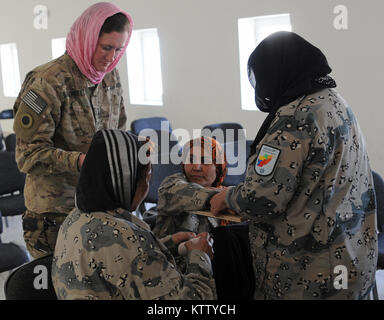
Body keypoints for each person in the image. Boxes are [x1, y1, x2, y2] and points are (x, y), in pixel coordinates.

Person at [210, 31, 378, 300]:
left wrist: (226, 197)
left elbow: (262, 198)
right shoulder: (334, 102)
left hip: (307, 275)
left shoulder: (294, 118)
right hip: (352, 261)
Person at [12, 3, 132, 259]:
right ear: (88, 39)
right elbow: (27, 155)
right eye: (106, 47)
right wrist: (79, 161)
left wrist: (131, 148)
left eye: (119, 49)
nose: (111, 57)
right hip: (54, 215)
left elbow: (118, 131)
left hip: (98, 206)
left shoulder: (110, 77)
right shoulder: (47, 81)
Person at [52, 129, 216, 300]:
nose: (147, 184)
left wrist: (169, 246)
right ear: (126, 179)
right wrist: (200, 256)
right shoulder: (126, 238)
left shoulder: (74, 217)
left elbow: (120, 262)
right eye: (147, 175)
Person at [153, 136, 228, 239]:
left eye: (205, 161)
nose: (196, 167)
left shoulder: (225, 193)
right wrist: (225, 199)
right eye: (191, 159)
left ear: (218, 167)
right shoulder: (171, 185)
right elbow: (186, 193)